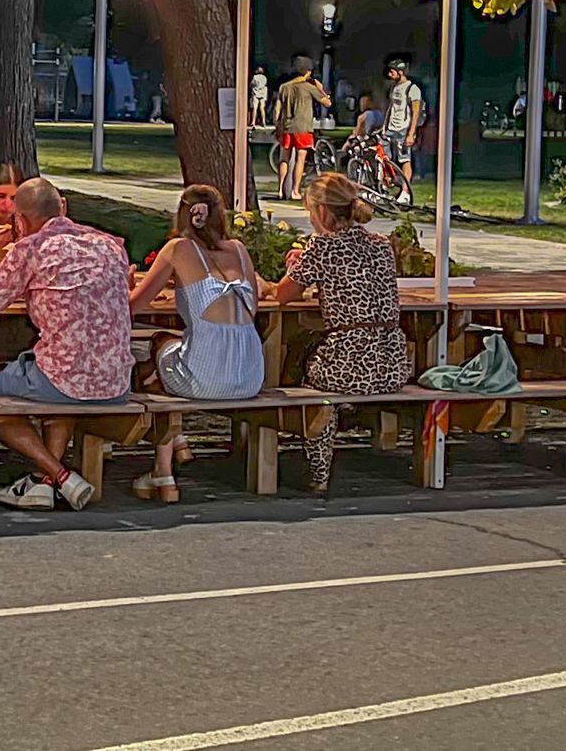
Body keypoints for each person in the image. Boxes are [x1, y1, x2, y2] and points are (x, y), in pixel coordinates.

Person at [0, 177, 132, 511]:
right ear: (63, 208)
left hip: (64, 377)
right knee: (57, 385)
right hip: (116, 380)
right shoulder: (110, 244)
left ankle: (59, 476)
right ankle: (41, 485)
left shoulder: (29, 248)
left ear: (21, 219)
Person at [269, 172, 409, 493]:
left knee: (308, 382)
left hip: (350, 363)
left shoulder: (323, 245)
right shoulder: (381, 244)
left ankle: (318, 472)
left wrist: (296, 265)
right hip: (392, 363)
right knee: (315, 355)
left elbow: (282, 295)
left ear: (321, 211)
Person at [126, 185, 268, 501]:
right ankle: (175, 444)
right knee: (172, 351)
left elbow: (132, 306)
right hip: (250, 375)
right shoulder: (240, 250)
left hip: (205, 377)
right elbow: (252, 308)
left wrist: (127, 284)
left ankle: (165, 466)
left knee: (155, 349)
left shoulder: (177, 249)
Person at [274, 54, 330, 200]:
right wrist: (321, 89)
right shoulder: (309, 88)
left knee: (284, 159)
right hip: (303, 127)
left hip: (286, 126)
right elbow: (327, 103)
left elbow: (277, 109)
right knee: (300, 159)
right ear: (308, 71)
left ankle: (280, 189)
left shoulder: (284, 87)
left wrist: (277, 125)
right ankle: (295, 190)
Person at [382, 57, 424, 208]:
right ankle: (388, 186)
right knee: (385, 157)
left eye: (392, 71)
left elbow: (415, 112)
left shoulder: (412, 89)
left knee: (404, 159)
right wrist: (384, 127)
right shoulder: (394, 88)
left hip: (403, 129)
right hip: (390, 129)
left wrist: (411, 132)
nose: (389, 74)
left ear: (400, 72)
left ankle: (405, 192)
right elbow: (391, 108)